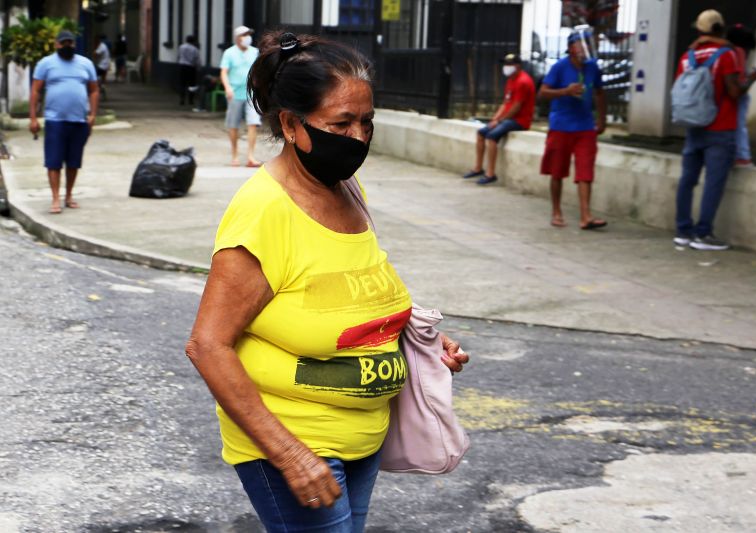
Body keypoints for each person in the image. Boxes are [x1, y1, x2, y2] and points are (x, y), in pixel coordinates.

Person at [185, 31, 469, 533]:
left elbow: (346, 287)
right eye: (341, 123)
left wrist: (414, 338)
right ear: (292, 125)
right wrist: (290, 454)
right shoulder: (263, 212)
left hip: (362, 436)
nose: (358, 137)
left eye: (367, 122)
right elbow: (208, 345)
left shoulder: (346, 189)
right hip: (296, 443)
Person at [673, 10, 756, 251]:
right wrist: (752, 78)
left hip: (693, 126)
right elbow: (734, 92)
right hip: (721, 127)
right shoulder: (726, 55)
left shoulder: (687, 56)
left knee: (687, 180)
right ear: (721, 28)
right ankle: (703, 234)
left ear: (700, 30)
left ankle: (682, 231)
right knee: (714, 181)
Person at [539, 27, 607, 230]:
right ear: (571, 47)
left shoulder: (592, 67)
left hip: (585, 125)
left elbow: (600, 93)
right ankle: (556, 211)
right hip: (561, 124)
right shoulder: (559, 67)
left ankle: (586, 215)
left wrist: (601, 120)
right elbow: (543, 93)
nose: (586, 49)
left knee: (585, 170)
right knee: (557, 171)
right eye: (582, 44)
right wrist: (565, 91)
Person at [29, 30, 99, 214]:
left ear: (74, 44)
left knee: (74, 161)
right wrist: (33, 118)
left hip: (79, 120)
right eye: (63, 43)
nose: (67, 46)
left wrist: (92, 115)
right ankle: (55, 198)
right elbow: (35, 91)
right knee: (53, 161)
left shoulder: (86, 64)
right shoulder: (45, 64)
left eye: (70, 43)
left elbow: (93, 90)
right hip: (55, 120)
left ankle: (68, 195)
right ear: (56, 44)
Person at [463, 53, 535, 185]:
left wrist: (500, 121)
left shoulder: (523, 81)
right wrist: (495, 119)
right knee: (481, 133)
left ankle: (490, 173)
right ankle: (478, 167)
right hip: (507, 118)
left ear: (518, 66)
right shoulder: (511, 80)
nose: (506, 67)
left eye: (509, 64)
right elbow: (505, 103)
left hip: (519, 120)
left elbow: (516, 107)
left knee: (491, 136)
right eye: (505, 64)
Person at [220, 25, 260, 167]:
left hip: (251, 94)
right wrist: (227, 87)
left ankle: (251, 156)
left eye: (249, 34)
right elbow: (224, 72)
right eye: (244, 35)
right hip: (235, 93)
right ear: (237, 38)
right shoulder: (229, 53)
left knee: (253, 123)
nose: (247, 38)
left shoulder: (255, 52)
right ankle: (235, 155)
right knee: (233, 125)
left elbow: (258, 70)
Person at [727, 24, 756, 167]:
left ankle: (737, 155)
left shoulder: (728, 51)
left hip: (729, 95)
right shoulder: (738, 52)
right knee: (740, 125)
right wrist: (752, 77)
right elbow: (740, 80)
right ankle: (743, 156)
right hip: (739, 95)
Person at [178, 35, 202, 106]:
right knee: (192, 84)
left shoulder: (181, 47)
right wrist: (199, 67)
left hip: (182, 66)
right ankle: (191, 100)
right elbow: (197, 59)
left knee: (182, 83)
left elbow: (179, 56)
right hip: (191, 67)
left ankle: (182, 99)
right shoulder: (194, 49)